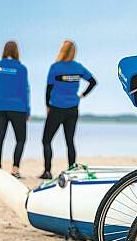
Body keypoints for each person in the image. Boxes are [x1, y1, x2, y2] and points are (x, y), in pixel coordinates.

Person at [39, 40, 97, 179]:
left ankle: (47, 171)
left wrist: (47, 105)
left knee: (46, 140)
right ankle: (72, 170)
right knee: (69, 141)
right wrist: (82, 95)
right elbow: (93, 82)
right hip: (73, 108)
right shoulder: (78, 67)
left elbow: (48, 89)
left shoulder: (55, 67)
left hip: (56, 108)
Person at [0, 41, 30, 178]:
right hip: (18, 108)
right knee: (21, 139)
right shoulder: (21, 68)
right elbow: (25, 91)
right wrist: (27, 110)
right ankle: (15, 169)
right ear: (17, 51)